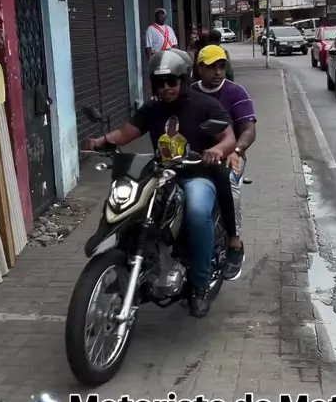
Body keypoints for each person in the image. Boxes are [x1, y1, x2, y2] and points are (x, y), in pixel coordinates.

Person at [82, 49, 241, 318]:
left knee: (197, 212)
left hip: (197, 174)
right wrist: (101, 141)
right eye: (160, 83)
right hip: (162, 174)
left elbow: (229, 137)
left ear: (183, 79)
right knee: (133, 208)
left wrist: (217, 150)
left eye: (171, 81)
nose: (166, 88)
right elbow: (126, 133)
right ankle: (137, 264)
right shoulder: (153, 109)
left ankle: (200, 285)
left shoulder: (205, 105)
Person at [192, 44, 256, 270]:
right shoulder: (190, 92)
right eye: (212, 67)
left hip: (230, 155)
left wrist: (236, 151)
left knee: (229, 183)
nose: (218, 72)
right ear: (200, 68)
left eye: (221, 66)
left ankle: (235, 243)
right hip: (194, 156)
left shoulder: (236, 92)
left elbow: (249, 130)